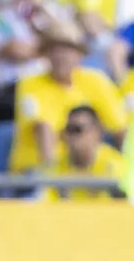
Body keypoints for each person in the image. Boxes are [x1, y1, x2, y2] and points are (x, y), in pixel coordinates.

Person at [11, 22, 126, 172]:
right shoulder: (29, 84)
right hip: (37, 171)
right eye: (54, 49)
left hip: (90, 170)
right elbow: (43, 130)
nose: (60, 55)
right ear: (45, 54)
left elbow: (120, 129)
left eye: (68, 48)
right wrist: (53, 180)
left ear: (79, 53)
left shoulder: (97, 81)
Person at [44, 104, 126, 201]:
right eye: (68, 129)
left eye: (77, 129)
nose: (71, 136)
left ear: (96, 131)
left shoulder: (114, 163)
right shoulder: (57, 166)